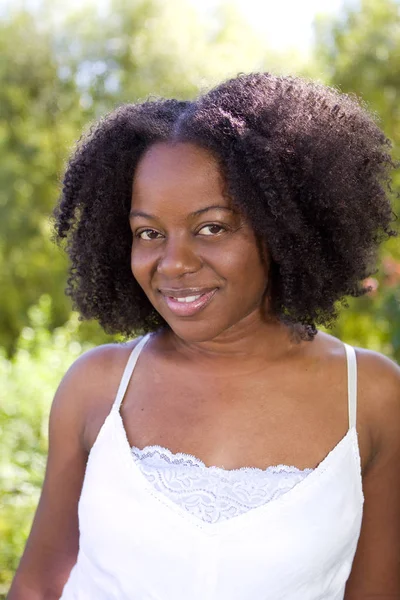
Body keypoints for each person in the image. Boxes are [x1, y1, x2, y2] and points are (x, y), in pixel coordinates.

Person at [8, 72, 400, 600]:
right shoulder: (96, 387)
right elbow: (37, 586)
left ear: (282, 227)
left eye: (211, 227)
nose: (173, 264)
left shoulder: (372, 397)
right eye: (149, 232)